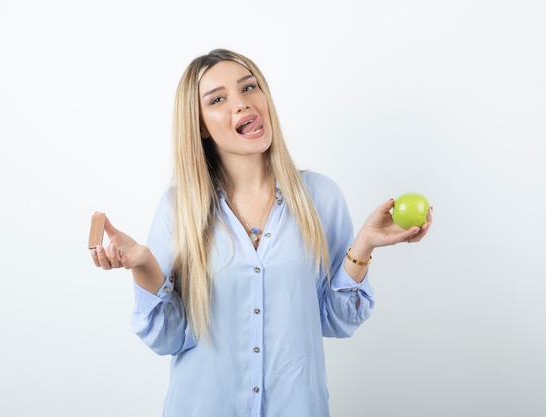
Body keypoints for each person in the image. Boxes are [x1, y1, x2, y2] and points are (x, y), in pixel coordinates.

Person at [90, 48, 432, 417]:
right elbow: (168, 339)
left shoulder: (320, 197)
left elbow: (337, 319)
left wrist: (363, 246)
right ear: (201, 126)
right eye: (218, 99)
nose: (241, 104)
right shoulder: (179, 209)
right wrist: (143, 265)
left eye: (249, 87)